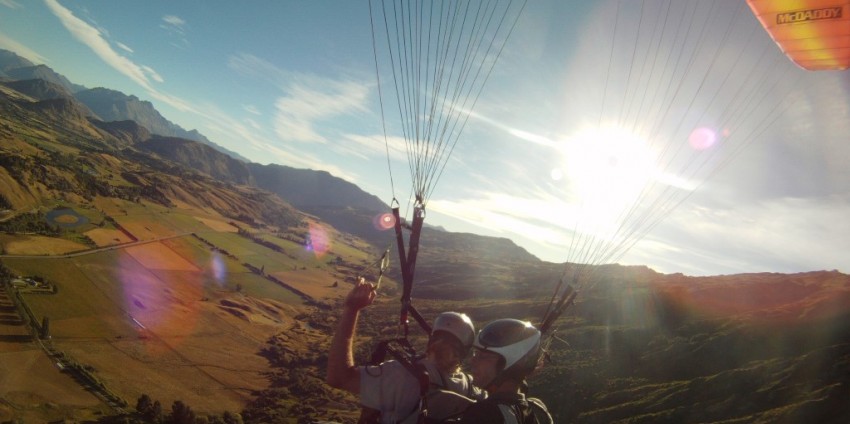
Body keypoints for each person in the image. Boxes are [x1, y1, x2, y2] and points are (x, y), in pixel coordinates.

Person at [326, 278, 482, 423]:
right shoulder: (469, 389)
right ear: (464, 352)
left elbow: (339, 377)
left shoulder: (401, 375)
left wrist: (352, 309)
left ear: (432, 338)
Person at [459, 319, 553, 424]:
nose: (472, 361)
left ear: (510, 367)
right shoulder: (533, 411)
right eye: (475, 353)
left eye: (484, 356)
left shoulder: (483, 414)